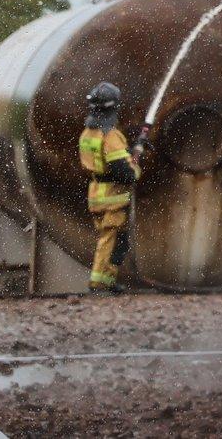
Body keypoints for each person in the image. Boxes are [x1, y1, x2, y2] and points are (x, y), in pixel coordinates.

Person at [78, 81, 141, 292]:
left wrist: (131, 151)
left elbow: (106, 160)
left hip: (96, 193)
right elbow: (122, 171)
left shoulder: (88, 134)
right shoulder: (110, 135)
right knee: (112, 240)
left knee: (110, 239)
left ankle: (108, 281)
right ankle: (100, 284)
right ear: (114, 108)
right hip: (112, 196)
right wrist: (134, 167)